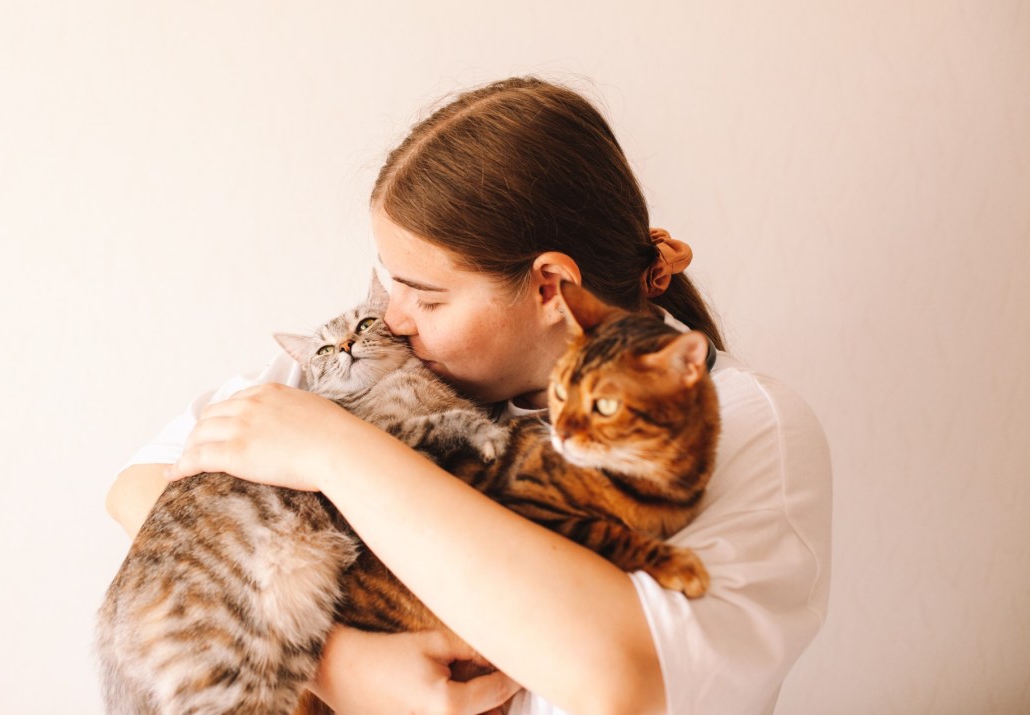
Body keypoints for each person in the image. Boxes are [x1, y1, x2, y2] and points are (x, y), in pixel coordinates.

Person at [106, 77, 832, 715]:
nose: (393, 318)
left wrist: (333, 449)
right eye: (390, 286)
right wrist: (336, 662)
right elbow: (141, 487)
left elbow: (627, 679)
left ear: (551, 287)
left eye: (425, 295)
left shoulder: (745, 426)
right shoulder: (382, 359)